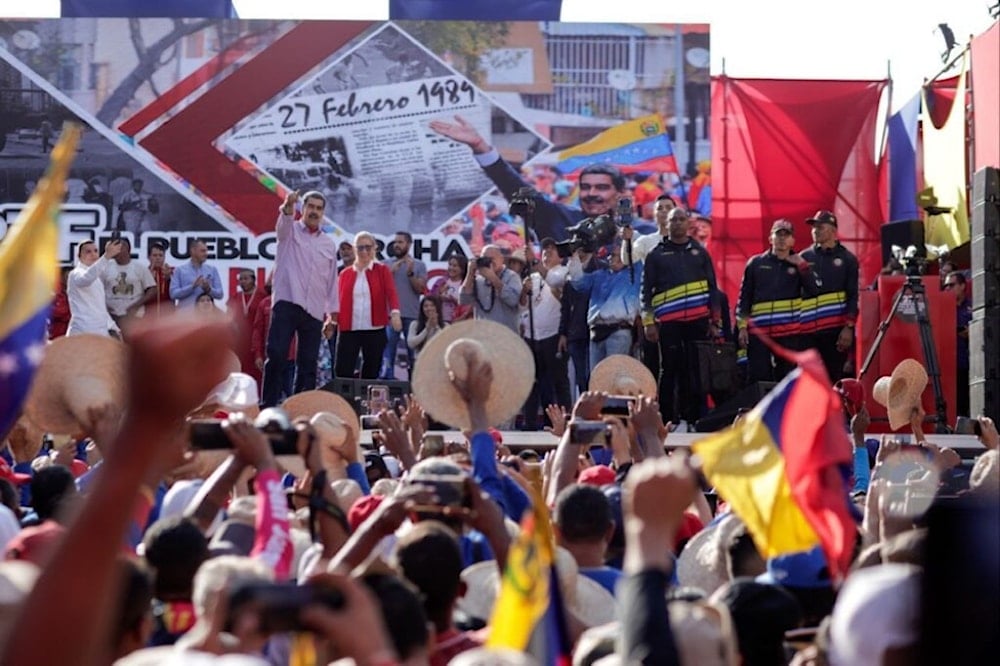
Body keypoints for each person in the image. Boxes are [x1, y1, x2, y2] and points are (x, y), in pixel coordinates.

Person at [429, 114, 625, 240]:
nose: (591, 194)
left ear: (620, 194)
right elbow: (515, 189)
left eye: (601, 188)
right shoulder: (559, 218)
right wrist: (480, 147)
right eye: (585, 187)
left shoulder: (644, 234)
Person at [642, 207, 722, 428]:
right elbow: (645, 293)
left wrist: (715, 322)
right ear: (666, 225)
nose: (677, 223)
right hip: (669, 324)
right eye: (672, 220)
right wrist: (649, 323)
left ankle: (692, 419)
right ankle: (667, 420)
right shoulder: (656, 255)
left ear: (688, 223)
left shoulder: (700, 252)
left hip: (697, 323)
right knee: (669, 370)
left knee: (694, 371)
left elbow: (712, 290)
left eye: (680, 219)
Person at [261, 190, 339, 406]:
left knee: (308, 364)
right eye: (310, 206)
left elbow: (331, 282)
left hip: (313, 309)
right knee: (276, 354)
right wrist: (287, 208)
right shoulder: (290, 231)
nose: (314, 211)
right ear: (302, 209)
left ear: (323, 213)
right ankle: (268, 406)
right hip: (287, 301)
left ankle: (301, 409)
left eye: (318, 208)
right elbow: (282, 227)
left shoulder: (329, 244)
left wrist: (331, 315)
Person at [736, 219, 819, 383]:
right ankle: (760, 409)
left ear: (792, 241)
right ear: (770, 239)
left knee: (787, 380)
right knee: (758, 378)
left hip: (789, 334)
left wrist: (802, 266)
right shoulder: (755, 263)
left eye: (786, 235)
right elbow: (744, 298)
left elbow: (814, 291)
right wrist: (742, 327)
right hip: (759, 334)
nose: (782, 239)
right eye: (778, 234)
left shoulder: (800, 265)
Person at [799, 210, 859, 383]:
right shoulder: (804, 257)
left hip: (835, 331)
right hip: (807, 332)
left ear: (833, 231)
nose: (815, 231)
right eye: (813, 227)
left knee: (833, 379)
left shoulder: (848, 259)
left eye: (820, 227)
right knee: (807, 380)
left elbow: (853, 295)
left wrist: (849, 327)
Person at [622, 195, 676, 385]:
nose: (663, 211)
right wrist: (626, 239)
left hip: (678, 309)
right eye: (659, 207)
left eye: (668, 207)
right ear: (653, 214)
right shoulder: (646, 241)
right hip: (653, 310)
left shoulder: (686, 243)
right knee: (652, 361)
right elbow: (627, 259)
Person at [335, 230, 402, 379]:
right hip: (349, 328)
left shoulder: (382, 270)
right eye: (360, 248)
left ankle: (364, 401)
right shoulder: (344, 274)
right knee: (342, 371)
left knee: (371, 371)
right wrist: (331, 319)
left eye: (368, 247)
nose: (364, 251)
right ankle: (344, 402)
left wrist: (395, 313)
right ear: (354, 249)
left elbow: (391, 293)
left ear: (374, 248)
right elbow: (336, 300)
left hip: (374, 328)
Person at [568, 241, 643, 373]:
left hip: (619, 330)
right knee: (596, 379)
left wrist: (626, 240)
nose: (613, 258)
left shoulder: (633, 274)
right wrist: (574, 257)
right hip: (596, 332)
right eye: (611, 255)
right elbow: (578, 282)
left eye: (618, 255)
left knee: (614, 377)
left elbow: (636, 257)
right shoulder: (599, 275)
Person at [381, 231, 428, 379]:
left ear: (409, 244)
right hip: (390, 316)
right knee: (389, 353)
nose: (396, 245)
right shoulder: (385, 264)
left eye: (400, 242)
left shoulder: (419, 265)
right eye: (395, 242)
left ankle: (414, 388)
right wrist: (391, 272)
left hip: (411, 316)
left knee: (413, 354)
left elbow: (421, 289)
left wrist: (410, 273)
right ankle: (388, 386)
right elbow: (378, 289)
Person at [66, 238, 123, 337]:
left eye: (95, 251)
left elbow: (99, 307)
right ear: (79, 256)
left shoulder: (96, 278)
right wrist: (106, 256)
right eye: (88, 252)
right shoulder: (75, 274)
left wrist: (113, 327)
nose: (93, 254)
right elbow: (86, 279)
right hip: (82, 331)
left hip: (99, 332)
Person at [460, 245, 522, 333]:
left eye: (492, 259)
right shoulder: (478, 279)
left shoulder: (512, 277)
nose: (489, 262)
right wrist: (470, 273)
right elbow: (463, 300)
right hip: (483, 335)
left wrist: (493, 279)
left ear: (501, 259)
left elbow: (514, 300)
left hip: (505, 335)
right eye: (485, 259)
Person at [101, 236, 157, 332]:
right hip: (111, 316)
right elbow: (98, 289)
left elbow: (152, 289)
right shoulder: (105, 267)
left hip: (134, 316)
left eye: (119, 248)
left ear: (127, 249)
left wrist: (136, 305)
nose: (116, 251)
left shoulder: (139, 267)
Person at [226, 268, 265, 383]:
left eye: (246, 278)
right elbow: (228, 317)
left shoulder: (262, 295)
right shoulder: (235, 296)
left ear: (254, 279)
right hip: (240, 341)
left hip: (257, 340)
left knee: (258, 372)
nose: (242, 281)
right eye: (240, 279)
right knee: (240, 371)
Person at [944, 272, 972, 416]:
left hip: (967, 362)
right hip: (948, 364)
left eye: (951, 285)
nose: (947, 288)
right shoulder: (943, 307)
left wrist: (971, 331)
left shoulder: (972, 306)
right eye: (946, 286)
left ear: (962, 286)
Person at [168, 239, 223, 309]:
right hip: (185, 317)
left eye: (206, 251)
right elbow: (173, 294)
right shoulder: (180, 270)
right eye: (202, 251)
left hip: (206, 317)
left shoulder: (212, 270)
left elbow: (220, 294)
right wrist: (192, 287)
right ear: (193, 251)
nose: (206, 254)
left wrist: (208, 289)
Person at [431, 255, 472, 324]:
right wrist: (439, 295)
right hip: (440, 320)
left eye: (455, 266)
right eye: (450, 265)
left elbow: (469, 306)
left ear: (462, 269)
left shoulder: (466, 284)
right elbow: (430, 300)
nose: (451, 268)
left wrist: (454, 300)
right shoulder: (440, 282)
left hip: (459, 321)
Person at [146, 241, 174, 319]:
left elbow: (176, 293)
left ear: (164, 257)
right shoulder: (143, 273)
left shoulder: (172, 271)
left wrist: (170, 279)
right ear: (148, 257)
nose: (158, 258)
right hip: (148, 317)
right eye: (154, 255)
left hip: (168, 317)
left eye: (160, 255)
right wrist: (148, 280)